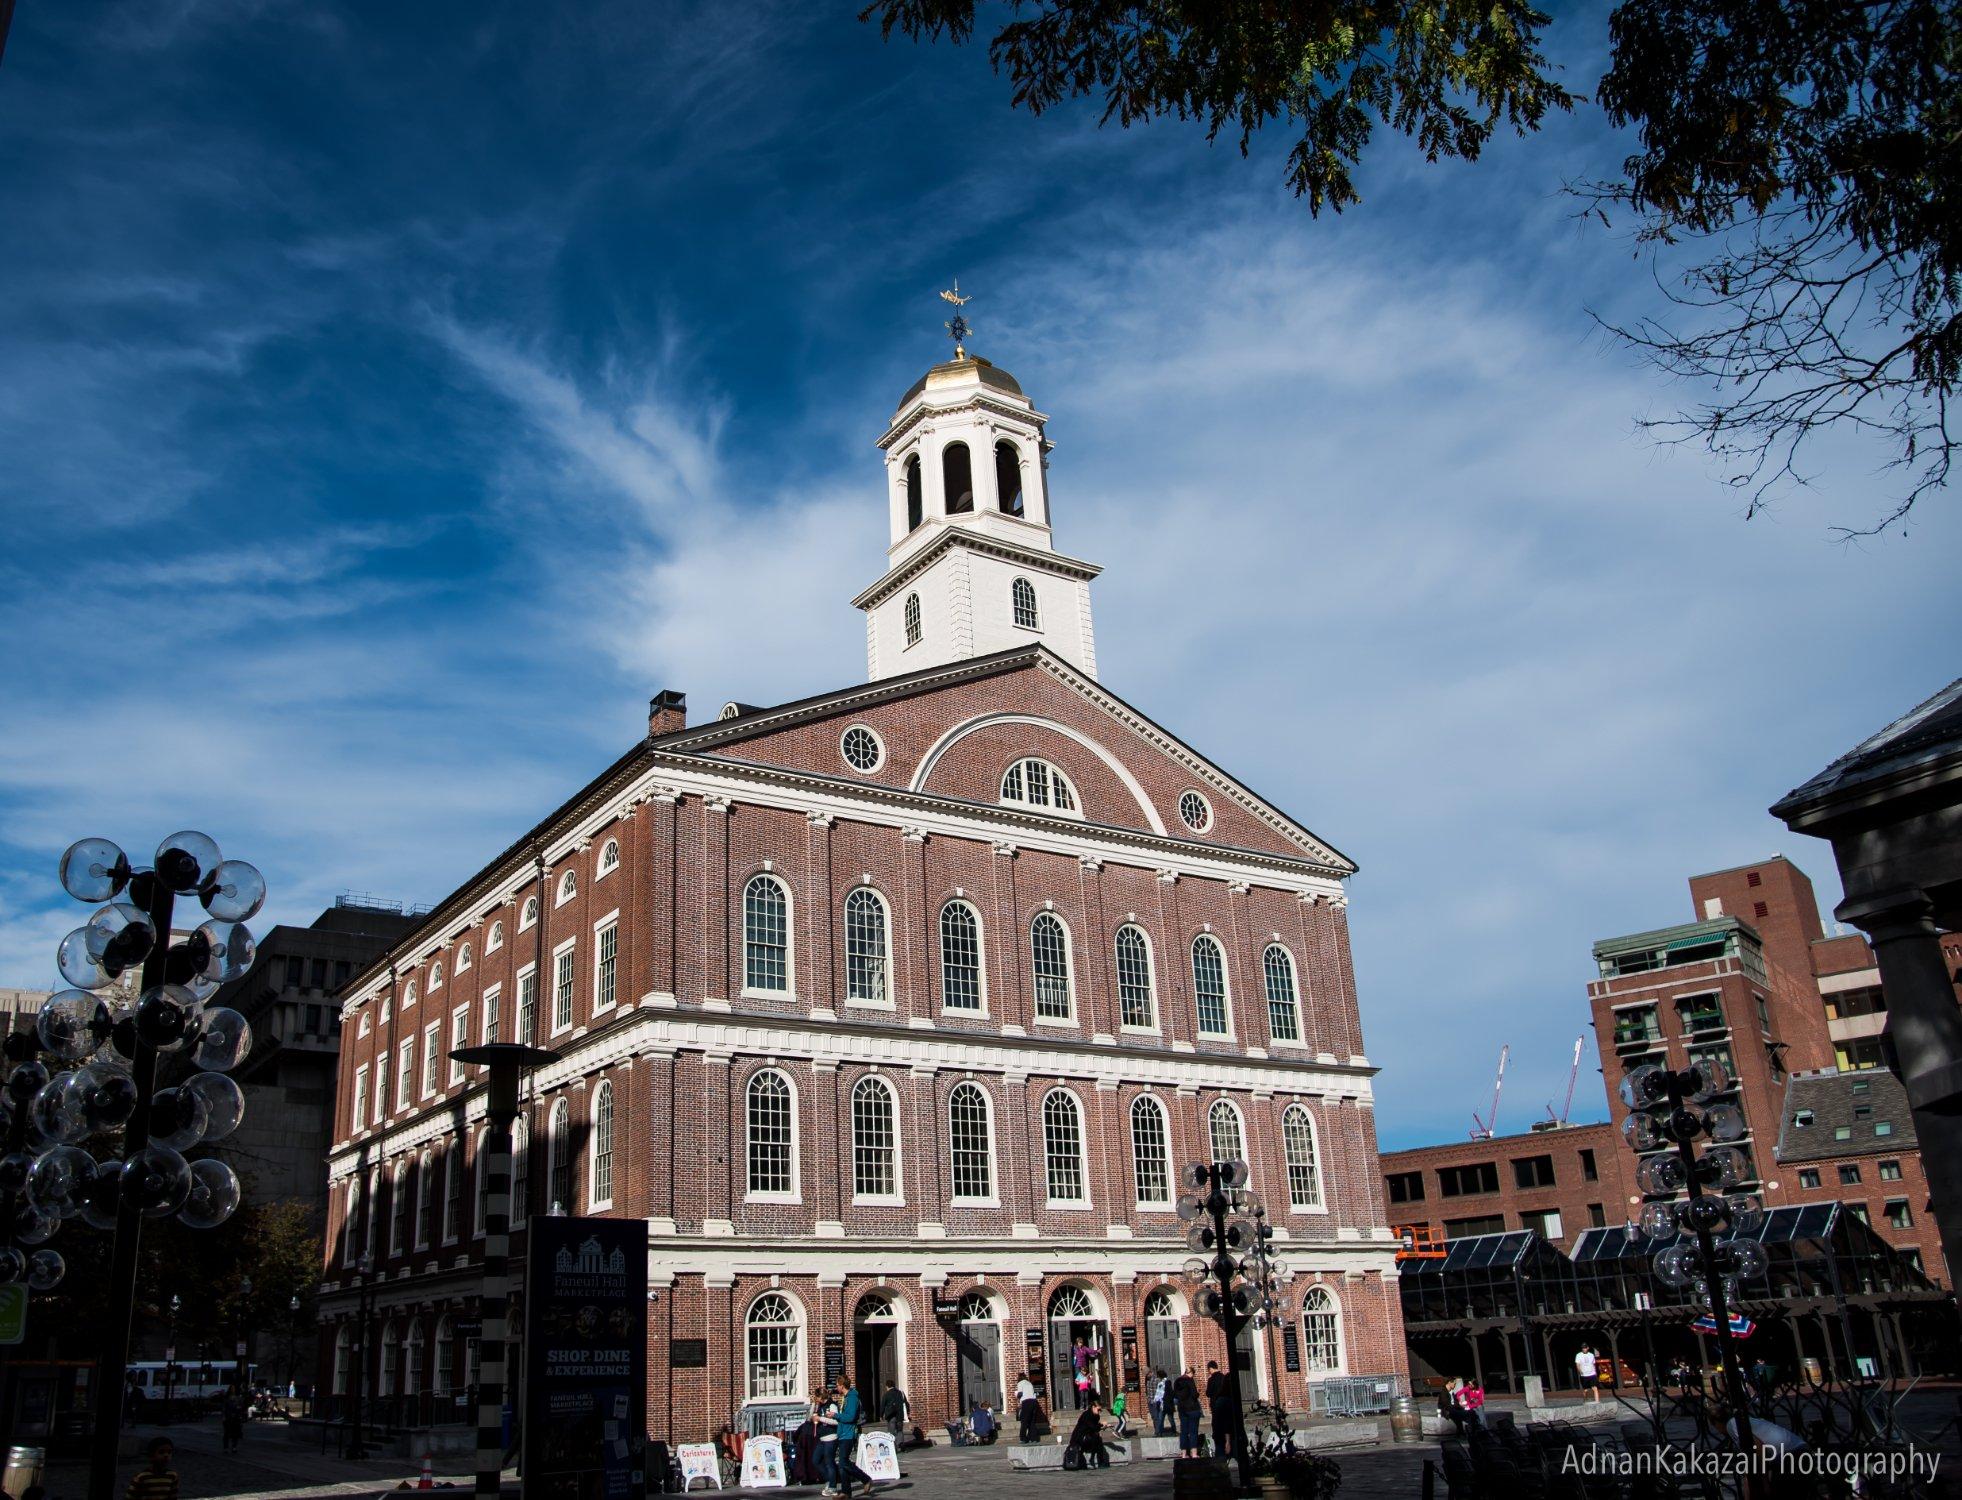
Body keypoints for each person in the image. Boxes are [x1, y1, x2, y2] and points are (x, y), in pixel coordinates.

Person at [834, 1376, 867, 1499]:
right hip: (843, 1433)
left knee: (843, 1462)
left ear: (842, 1385)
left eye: (837, 1385)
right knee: (842, 1464)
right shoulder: (845, 1398)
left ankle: (865, 1478)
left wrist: (836, 1416)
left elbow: (851, 1417)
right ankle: (846, 1492)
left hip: (849, 1433)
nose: (836, 1387)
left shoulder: (852, 1398)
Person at [1204, 1360, 1236, 1460]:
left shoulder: (1211, 1380)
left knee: (1218, 1430)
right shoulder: (1223, 1377)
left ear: (1210, 1369)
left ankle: (1220, 1459)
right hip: (1227, 1414)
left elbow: (1208, 1393)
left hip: (1215, 1406)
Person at [1068, 1397, 1111, 1470]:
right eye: (1098, 1409)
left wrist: (1103, 1427)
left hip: (1088, 1436)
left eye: (1100, 1410)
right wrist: (1102, 1425)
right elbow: (1092, 1426)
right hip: (1079, 1438)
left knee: (1098, 1439)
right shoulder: (1087, 1414)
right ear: (1093, 1407)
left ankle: (1098, 1462)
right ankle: (1099, 1462)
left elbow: (1095, 1428)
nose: (1100, 1411)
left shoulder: (1096, 1416)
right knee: (1098, 1440)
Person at [1171, 1367, 1203, 1458]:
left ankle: (1184, 1453)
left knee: (1183, 1431)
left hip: (1182, 1408)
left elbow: (1175, 1395)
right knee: (1193, 1431)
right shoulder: (1190, 1381)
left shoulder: (1177, 1381)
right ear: (1192, 1373)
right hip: (1192, 1408)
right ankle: (1194, 1453)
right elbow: (1194, 1394)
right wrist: (1198, 1393)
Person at [813, 1390, 839, 1494]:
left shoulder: (831, 1405)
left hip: (831, 1437)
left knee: (829, 1462)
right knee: (816, 1460)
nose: (816, 1399)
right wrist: (813, 1408)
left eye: (817, 1397)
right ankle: (829, 1479)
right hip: (822, 1438)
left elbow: (836, 1421)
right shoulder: (819, 1406)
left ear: (821, 1396)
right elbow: (812, 1417)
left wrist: (821, 1419)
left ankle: (833, 1487)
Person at [1014, 1372, 1042, 1443]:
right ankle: (1034, 1438)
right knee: (1032, 1421)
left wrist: (1016, 1395)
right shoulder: (1029, 1383)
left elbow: (1020, 1393)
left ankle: (1023, 1438)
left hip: (1026, 1402)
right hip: (1033, 1402)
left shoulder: (1020, 1383)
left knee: (1024, 1421)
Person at [1148, 1368, 1168, 1437]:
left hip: (1157, 1401)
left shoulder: (1160, 1381)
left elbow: (1161, 1392)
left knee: (1158, 1417)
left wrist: (1159, 1401)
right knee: (1154, 1417)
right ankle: (1157, 1431)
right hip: (1151, 1400)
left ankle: (1158, 1432)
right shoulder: (1148, 1380)